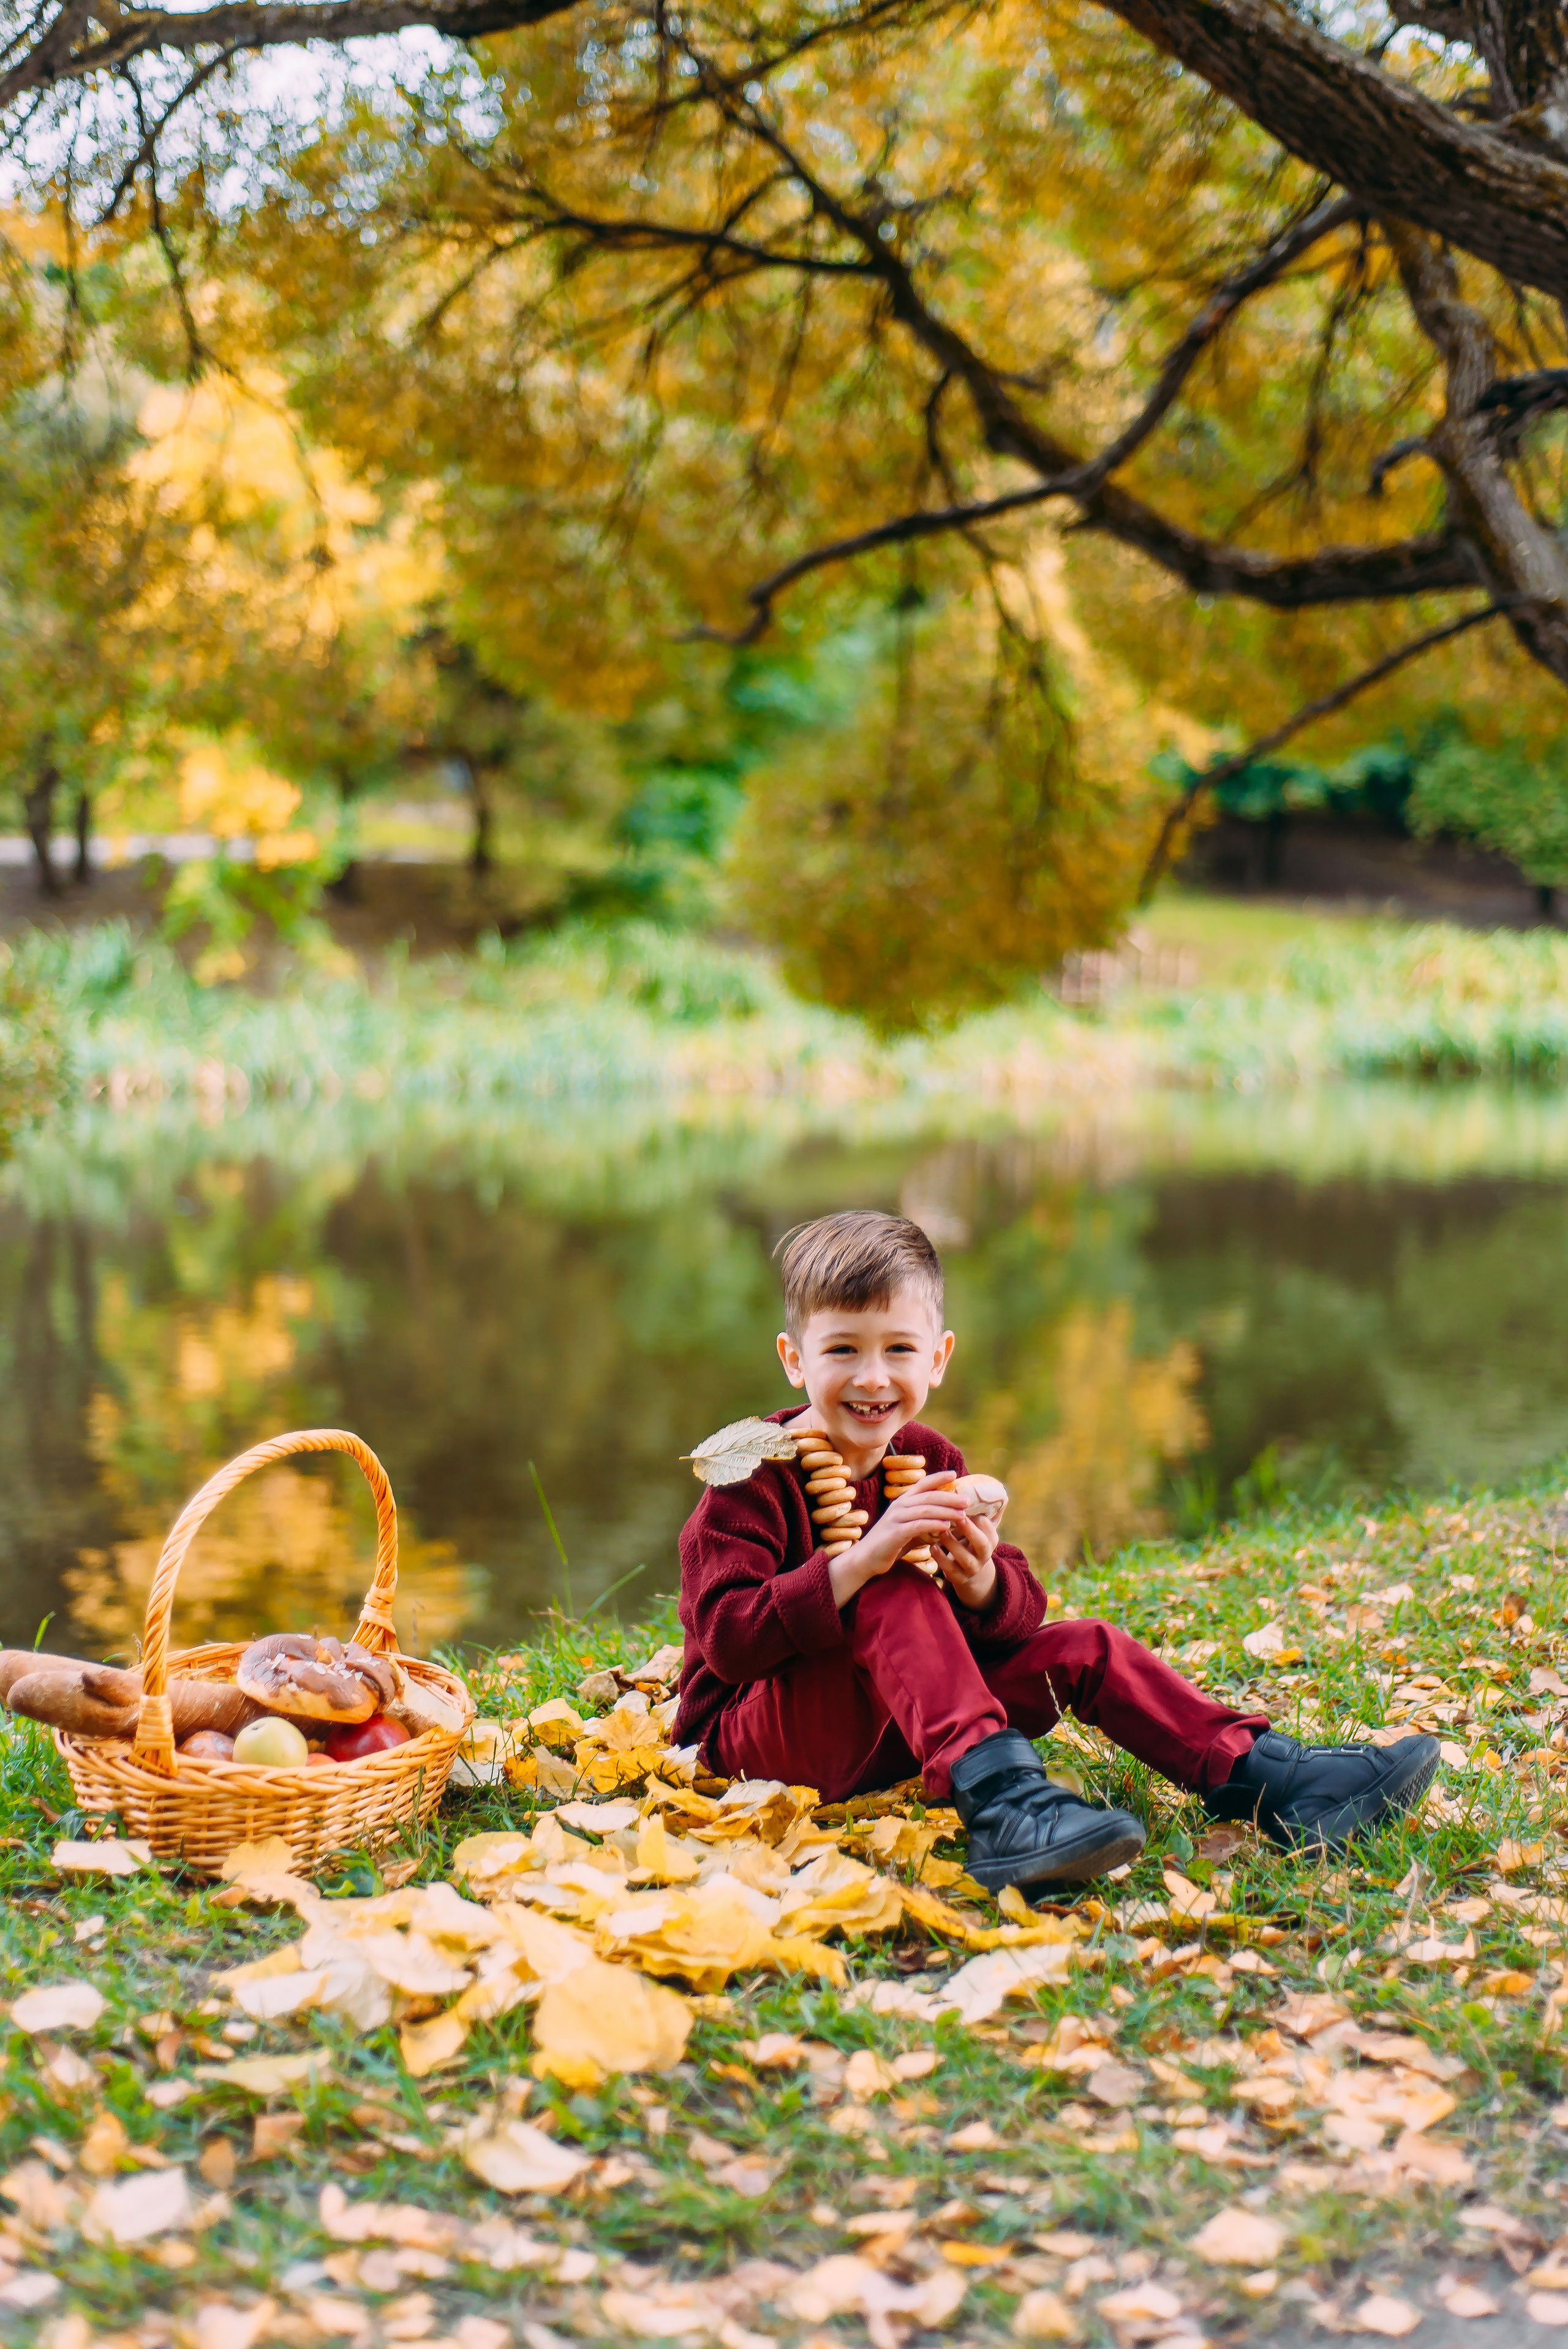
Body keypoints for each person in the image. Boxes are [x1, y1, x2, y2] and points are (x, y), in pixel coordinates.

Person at [673, 1209, 1438, 1896]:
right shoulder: (754, 1472)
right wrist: (862, 1561)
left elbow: (1008, 1621)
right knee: (892, 1589)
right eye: (842, 1349)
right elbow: (731, 1642)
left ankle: (1271, 1780)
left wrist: (976, 1583)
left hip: (903, 1734)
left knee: (1082, 1647)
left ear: (936, 1359)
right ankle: (1007, 1811)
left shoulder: (928, 1456)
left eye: (897, 1349)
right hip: (760, 1741)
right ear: (794, 1359)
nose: (872, 1377)